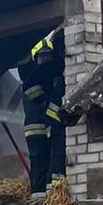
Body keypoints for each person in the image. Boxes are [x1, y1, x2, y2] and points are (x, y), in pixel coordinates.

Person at [19, 29, 66, 196]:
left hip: (47, 124)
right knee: (40, 161)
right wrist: (45, 102)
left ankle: (46, 194)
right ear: (35, 58)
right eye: (42, 56)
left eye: (48, 55)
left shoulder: (49, 73)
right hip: (37, 127)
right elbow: (30, 89)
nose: (46, 59)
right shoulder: (33, 76)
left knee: (49, 159)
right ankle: (38, 196)